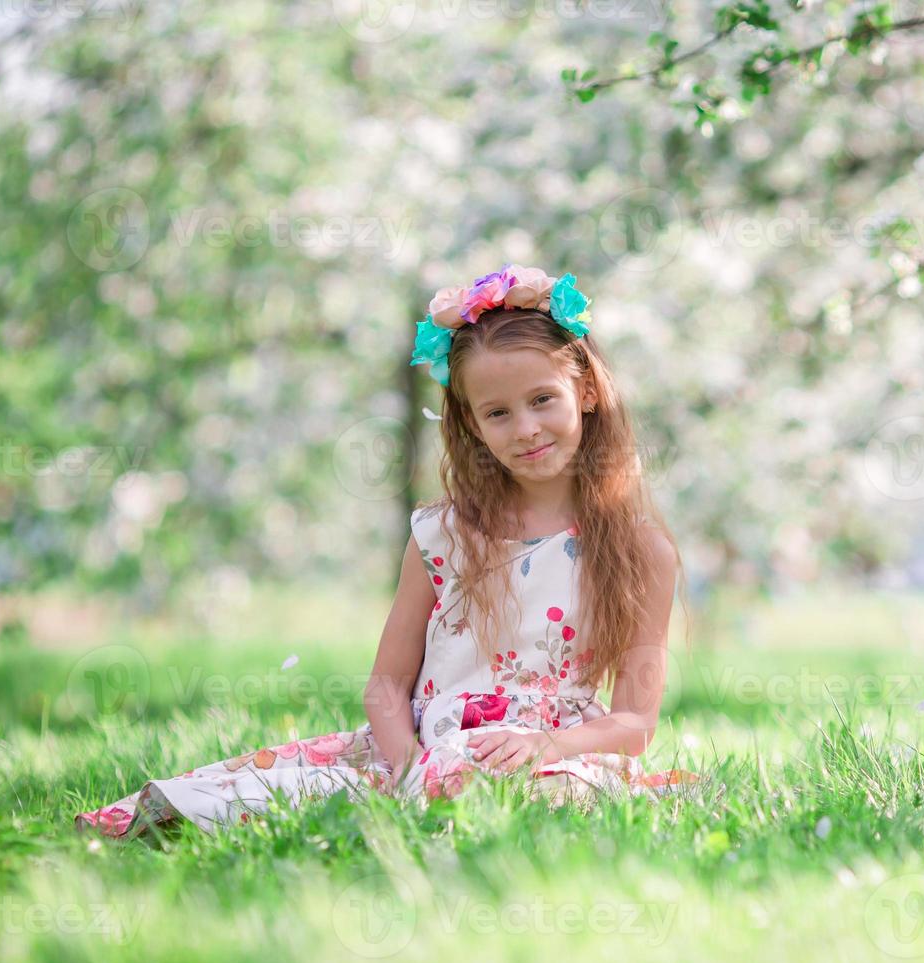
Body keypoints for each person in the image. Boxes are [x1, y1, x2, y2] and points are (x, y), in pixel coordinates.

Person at [75, 264, 700, 839]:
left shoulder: (640, 550)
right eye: (498, 413)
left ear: (586, 390)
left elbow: (635, 724)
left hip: (552, 753)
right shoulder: (445, 534)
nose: (527, 428)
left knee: (548, 804)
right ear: (472, 425)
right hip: (422, 747)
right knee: (306, 794)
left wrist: (549, 748)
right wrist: (405, 770)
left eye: (543, 399)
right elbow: (386, 686)